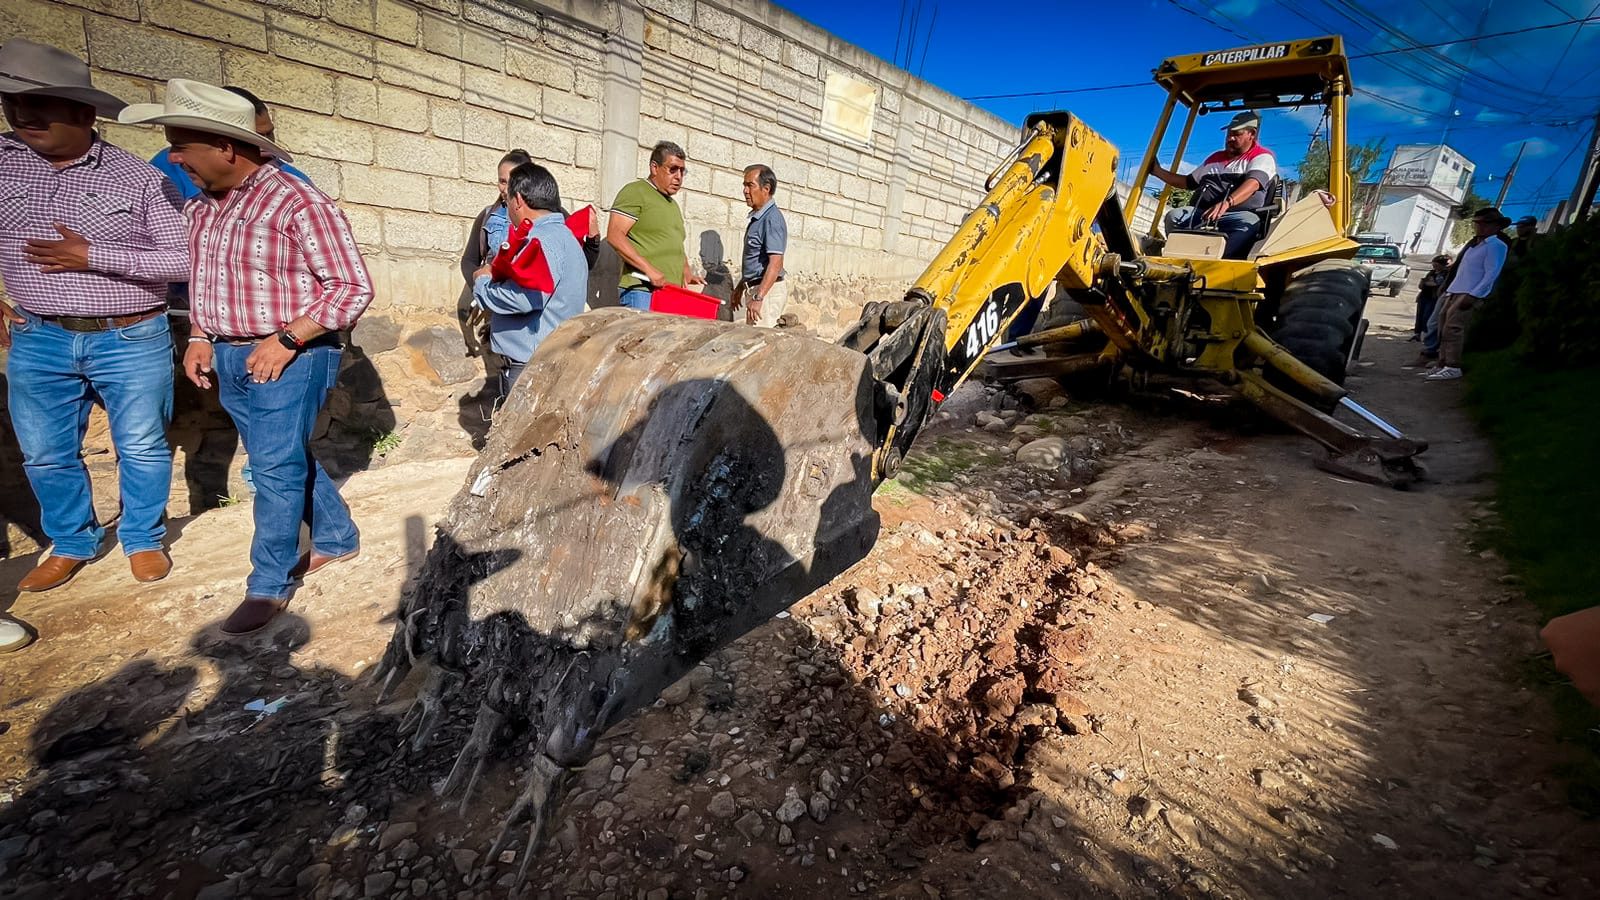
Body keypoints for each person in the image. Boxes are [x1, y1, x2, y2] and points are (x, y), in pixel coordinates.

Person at [121, 79, 373, 634]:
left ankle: (269, 584)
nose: (174, 156)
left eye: (182, 143)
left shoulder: (298, 202)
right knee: (277, 457)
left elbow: (351, 288)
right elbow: (205, 285)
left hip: (292, 354)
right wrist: (199, 337)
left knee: (272, 467)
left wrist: (286, 339)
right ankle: (336, 537)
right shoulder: (203, 208)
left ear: (227, 148)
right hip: (230, 357)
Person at [0, 39, 189, 594]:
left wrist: (91, 256)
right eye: (12, 101)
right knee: (46, 452)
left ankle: (143, 538)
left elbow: (181, 258)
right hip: (37, 334)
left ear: (84, 114)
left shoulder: (137, 177)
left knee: (142, 445)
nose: (22, 113)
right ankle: (74, 541)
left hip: (130, 334)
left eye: (42, 104)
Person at [470, 161, 588, 397]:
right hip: (554, 359)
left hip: (530, 367)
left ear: (518, 201)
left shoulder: (539, 241)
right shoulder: (566, 237)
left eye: (508, 198)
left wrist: (483, 283)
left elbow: (524, 299)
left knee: (518, 433)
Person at [1150, 111, 1278, 259]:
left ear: (1252, 134)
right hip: (1202, 214)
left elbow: (1253, 183)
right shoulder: (1214, 158)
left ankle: (1217, 261)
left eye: (1237, 134)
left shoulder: (1262, 156)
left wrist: (1227, 203)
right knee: (1174, 216)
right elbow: (1187, 182)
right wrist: (1157, 171)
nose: (1230, 138)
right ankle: (1180, 256)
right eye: (1229, 134)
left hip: (1234, 216)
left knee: (1249, 223)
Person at [149, 86, 310, 201]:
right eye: (258, 136)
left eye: (270, 133)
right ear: (226, 144)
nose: (266, 144)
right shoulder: (167, 168)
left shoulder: (293, 181)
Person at [606, 140, 703, 310]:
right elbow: (615, 235)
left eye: (682, 170)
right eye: (672, 169)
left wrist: (686, 273)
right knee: (641, 338)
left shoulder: (672, 205)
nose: (679, 177)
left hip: (670, 293)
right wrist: (648, 269)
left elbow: (675, 243)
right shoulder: (636, 191)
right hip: (642, 290)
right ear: (654, 168)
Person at [1425, 207, 1510, 381]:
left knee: (1454, 328)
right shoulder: (1474, 244)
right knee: (1442, 325)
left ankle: (1453, 365)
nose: (1480, 227)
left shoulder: (1496, 245)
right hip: (1456, 289)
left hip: (1470, 291)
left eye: (1485, 224)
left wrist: (1474, 295)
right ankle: (1442, 363)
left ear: (1496, 226)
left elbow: (1492, 272)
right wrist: (1449, 289)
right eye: (1478, 223)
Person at [730, 164, 788, 327]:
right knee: (749, 341)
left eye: (750, 185)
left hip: (766, 293)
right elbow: (756, 260)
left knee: (760, 345)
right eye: (744, 185)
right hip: (757, 289)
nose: (745, 191)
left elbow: (775, 264)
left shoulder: (772, 219)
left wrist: (759, 297)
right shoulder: (758, 218)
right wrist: (741, 286)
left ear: (766, 189)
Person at [1411, 254, 1450, 342]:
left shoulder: (1445, 274)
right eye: (1433, 264)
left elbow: (1437, 284)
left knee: (1427, 316)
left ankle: (1426, 335)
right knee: (1420, 315)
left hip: (1433, 298)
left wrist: (1431, 283)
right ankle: (1418, 334)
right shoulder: (1431, 272)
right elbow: (1423, 284)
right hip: (1424, 296)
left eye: (1436, 265)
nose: (1434, 267)